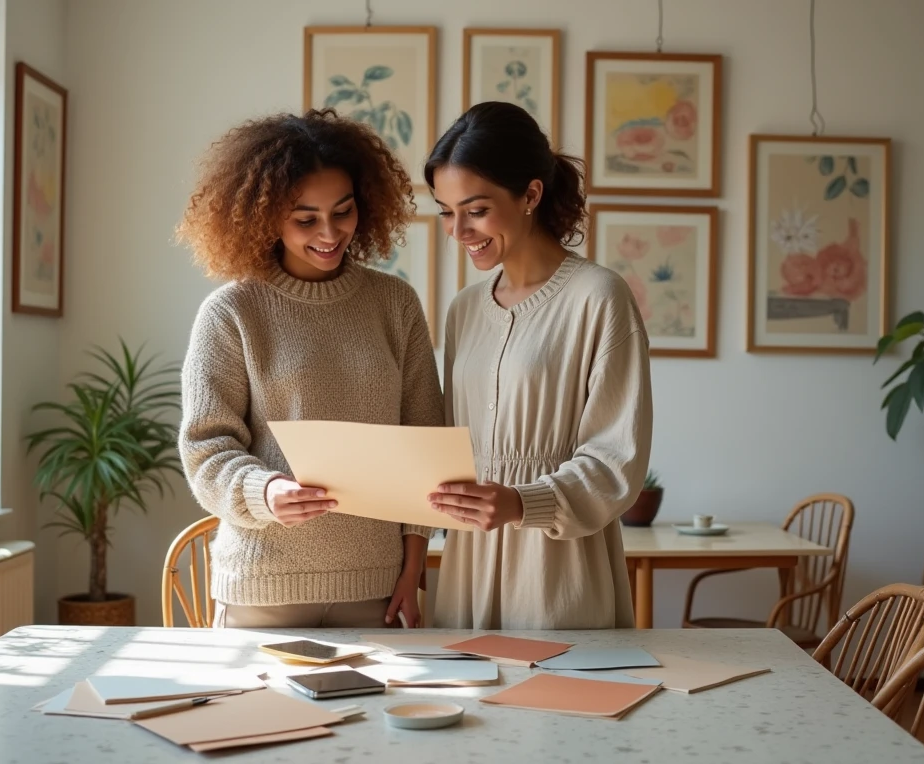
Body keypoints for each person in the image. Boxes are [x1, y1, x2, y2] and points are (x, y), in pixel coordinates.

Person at [175, 108, 443, 629]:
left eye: (343, 212)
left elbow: (424, 446)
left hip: (379, 587)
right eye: (305, 219)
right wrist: (265, 491)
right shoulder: (231, 312)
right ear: (264, 216)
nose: (329, 232)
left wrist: (412, 571)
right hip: (262, 587)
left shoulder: (395, 304)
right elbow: (206, 449)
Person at [425, 101, 653, 630]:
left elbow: (616, 459)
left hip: (559, 563)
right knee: (471, 705)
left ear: (530, 194)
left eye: (475, 210)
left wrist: (522, 503)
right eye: (445, 210)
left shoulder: (599, 297)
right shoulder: (464, 309)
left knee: (560, 706)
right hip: (469, 561)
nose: (458, 230)